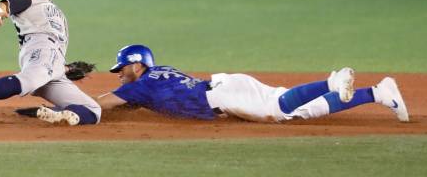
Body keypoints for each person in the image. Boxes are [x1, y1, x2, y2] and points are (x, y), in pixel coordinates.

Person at [93, 44, 409, 123]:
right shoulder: (155, 76)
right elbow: (126, 105)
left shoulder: (140, 84)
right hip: (225, 89)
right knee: (295, 111)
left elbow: (104, 103)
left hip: (224, 95)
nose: (119, 73)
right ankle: (380, 92)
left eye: (122, 68)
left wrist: (73, 108)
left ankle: (332, 80)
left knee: (278, 108)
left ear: (137, 65)